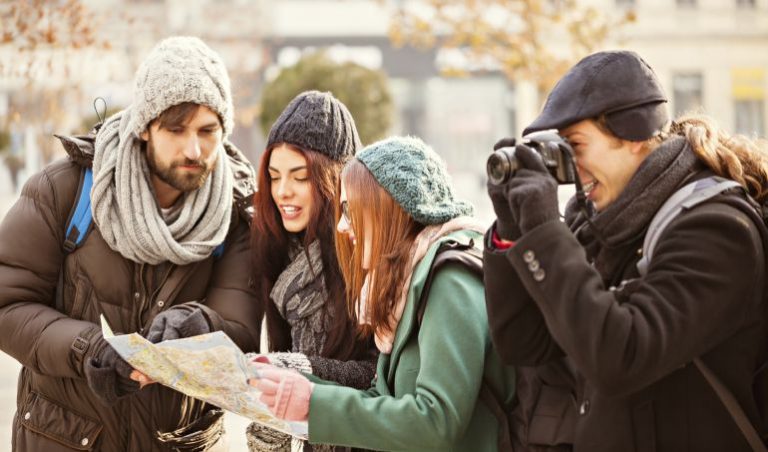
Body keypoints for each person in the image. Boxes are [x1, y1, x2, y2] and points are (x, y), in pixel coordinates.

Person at [484, 49, 768, 451]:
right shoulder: (597, 224)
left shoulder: (718, 229)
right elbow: (524, 343)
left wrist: (546, 232)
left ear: (632, 134)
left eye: (577, 146)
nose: (573, 170)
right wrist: (513, 231)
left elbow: (621, 356)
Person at [0, 36, 261, 451]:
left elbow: (241, 330)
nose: (194, 149)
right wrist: (88, 349)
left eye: (208, 131)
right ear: (144, 126)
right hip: (64, 438)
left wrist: (202, 326)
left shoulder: (234, 217)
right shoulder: (65, 190)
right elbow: (8, 304)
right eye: (176, 129)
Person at [249, 136, 517, 451]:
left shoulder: (450, 280)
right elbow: (385, 402)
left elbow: (436, 422)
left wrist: (313, 401)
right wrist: (292, 385)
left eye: (351, 210)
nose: (342, 227)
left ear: (390, 208)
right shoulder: (407, 283)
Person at [246, 90, 378, 451]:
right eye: (274, 177)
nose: (282, 192)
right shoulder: (276, 249)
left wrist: (299, 370)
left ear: (334, 178)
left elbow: (385, 375)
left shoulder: (369, 254)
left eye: (299, 177)